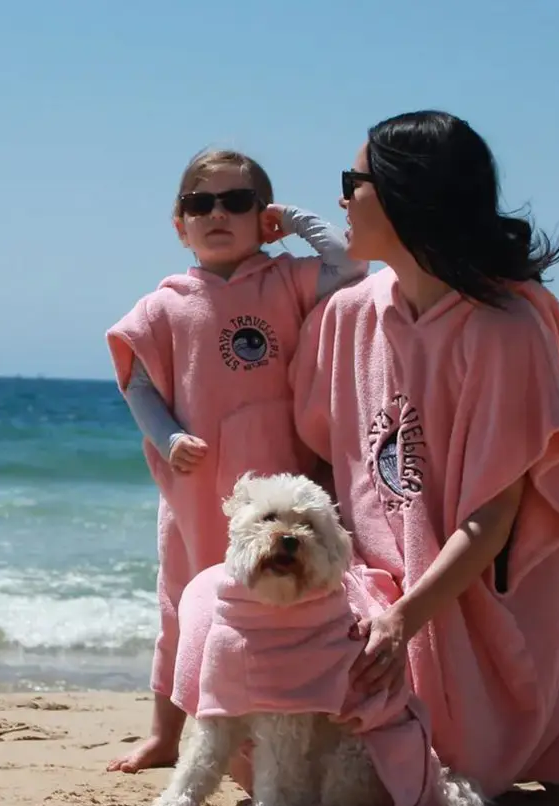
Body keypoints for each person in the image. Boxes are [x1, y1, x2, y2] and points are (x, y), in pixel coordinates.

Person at [289, 110, 559, 806]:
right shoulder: (345, 316)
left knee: (456, 765)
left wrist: (403, 619)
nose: (341, 199)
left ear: (405, 194)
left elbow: (494, 515)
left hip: (461, 606)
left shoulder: (506, 332)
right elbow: (323, 468)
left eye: (352, 182)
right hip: (366, 592)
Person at [105, 148, 368, 774]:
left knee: (291, 607)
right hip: (196, 485)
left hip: (278, 483)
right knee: (183, 604)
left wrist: (293, 218)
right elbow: (137, 384)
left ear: (263, 217)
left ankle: (292, 726)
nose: (216, 214)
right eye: (201, 204)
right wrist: (168, 438)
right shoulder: (164, 303)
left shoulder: (286, 280)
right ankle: (166, 734)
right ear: (179, 224)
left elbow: (353, 263)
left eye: (237, 202)